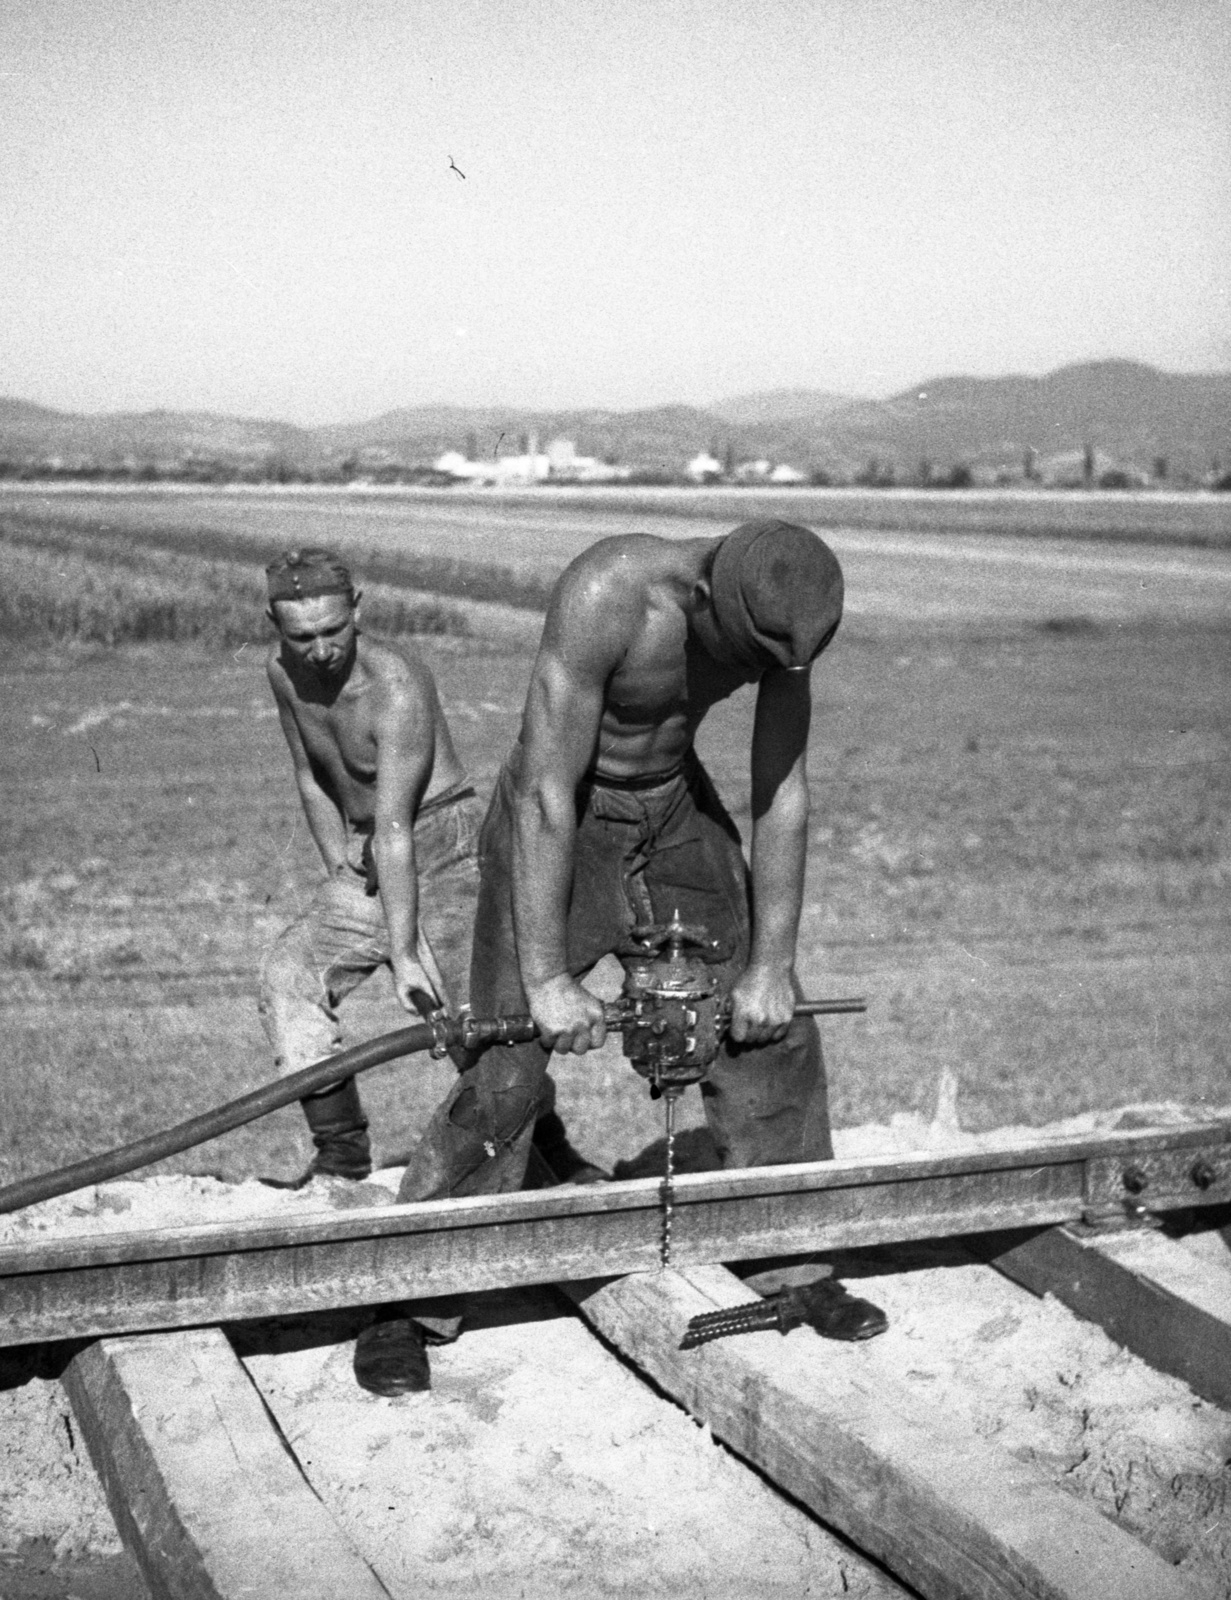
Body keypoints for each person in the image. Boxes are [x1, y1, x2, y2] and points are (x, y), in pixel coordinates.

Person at [395, 517, 885, 1339]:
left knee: (777, 1034)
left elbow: (781, 792)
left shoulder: (784, 620)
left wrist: (769, 965)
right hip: (562, 811)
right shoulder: (606, 595)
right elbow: (547, 794)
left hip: (674, 804)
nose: (748, 676)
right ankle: (414, 1301)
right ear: (701, 595)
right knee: (507, 1059)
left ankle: (795, 1266)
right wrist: (550, 981)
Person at [259, 547, 596, 1395]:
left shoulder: (397, 686)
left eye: (334, 631)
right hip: (374, 856)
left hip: (441, 848)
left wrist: (406, 948)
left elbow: (403, 826)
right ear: (277, 628)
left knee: (472, 1030)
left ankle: (540, 1149)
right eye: (302, 636)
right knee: (287, 975)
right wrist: (338, 864)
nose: (321, 650)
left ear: (359, 612)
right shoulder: (284, 673)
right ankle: (341, 1163)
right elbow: (309, 774)